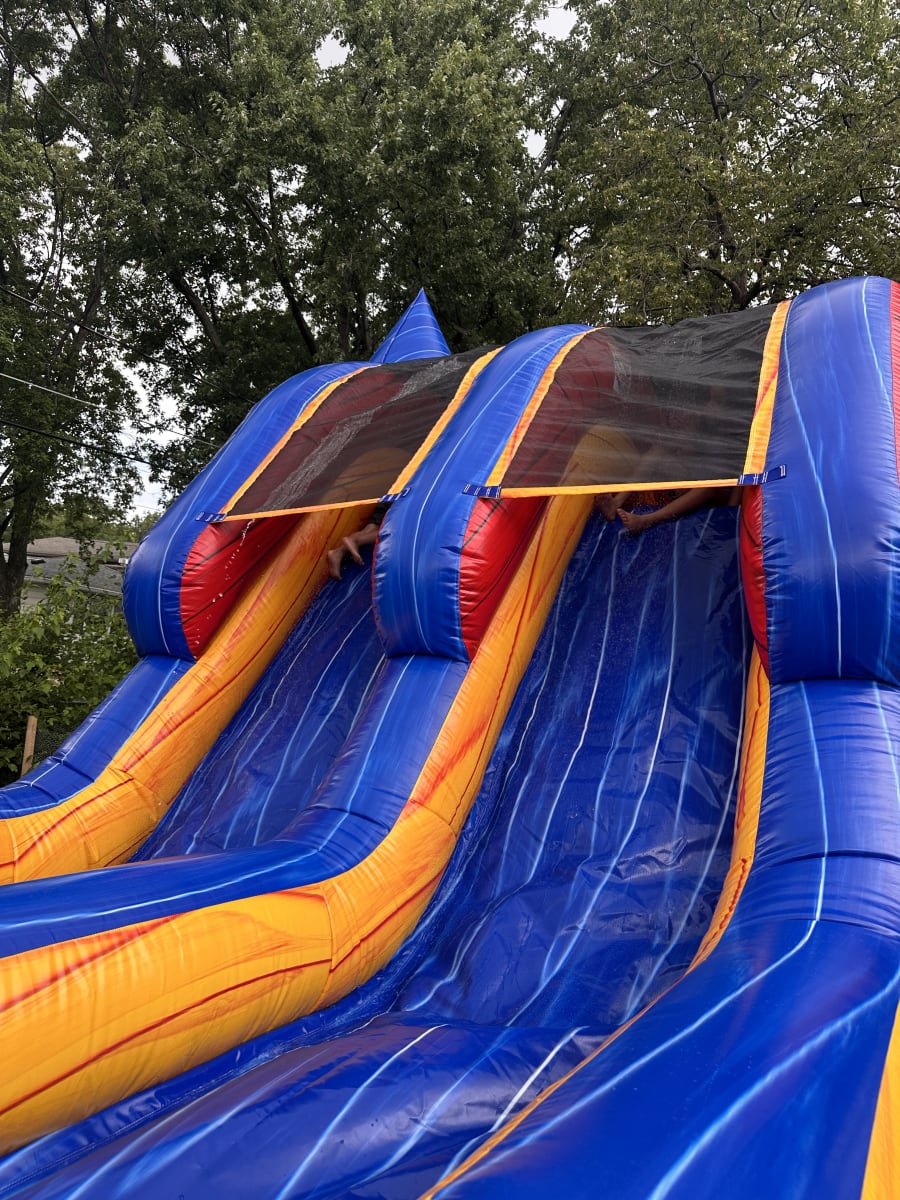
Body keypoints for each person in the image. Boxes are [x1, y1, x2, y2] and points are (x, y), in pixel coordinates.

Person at [613, 485, 742, 536]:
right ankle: (617, 501)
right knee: (657, 451)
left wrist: (730, 511)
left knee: (708, 487)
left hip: (718, 491)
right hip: (690, 478)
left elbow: (744, 474)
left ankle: (646, 520)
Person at [327, 502, 389, 579]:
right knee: (393, 531)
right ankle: (356, 541)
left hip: (386, 501)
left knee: (370, 529)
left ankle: (338, 552)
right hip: (396, 501)